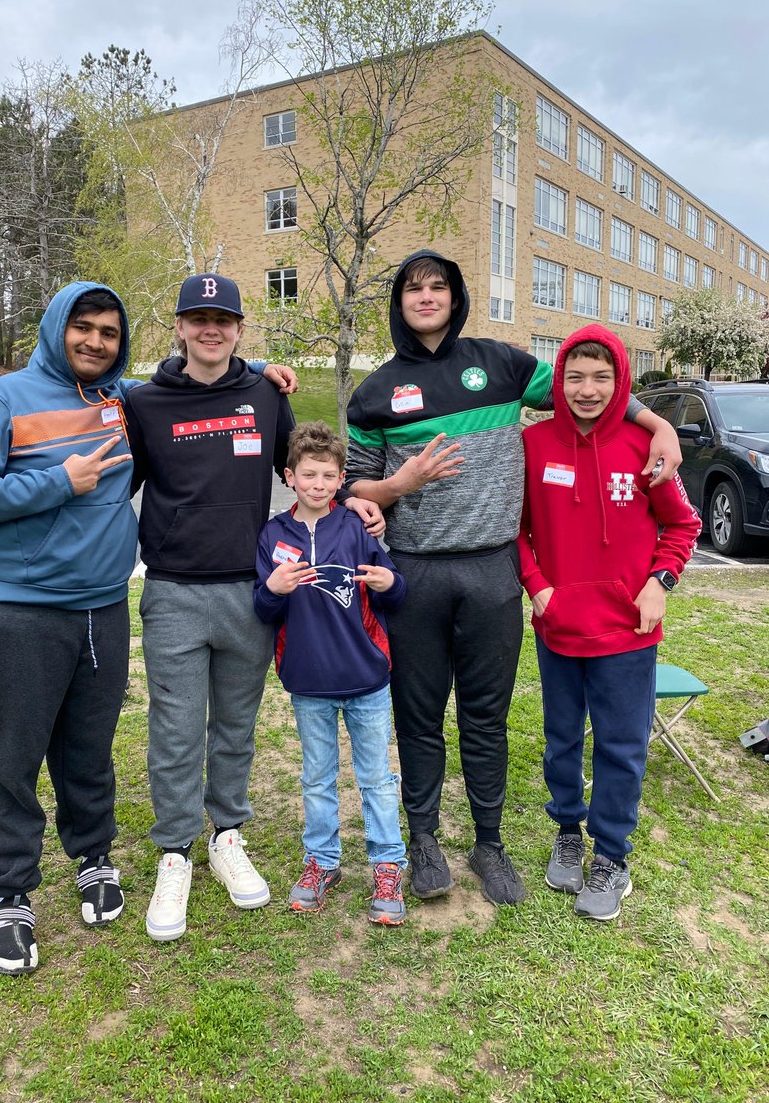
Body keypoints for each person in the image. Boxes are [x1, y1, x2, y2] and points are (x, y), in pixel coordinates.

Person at [345, 250, 683, 907]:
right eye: (413, 288)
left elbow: (590, 391)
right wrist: (397, 484)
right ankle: (423, 843)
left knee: (485, 717)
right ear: (399, 302)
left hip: (493, 572)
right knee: (417, 718)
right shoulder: (375, 392)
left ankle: (489, 844)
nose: (426, 297)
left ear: (455, 295)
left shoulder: (501, 366)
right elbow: (354, 486)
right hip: (413, 574)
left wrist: (658, 421)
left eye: (438, 286)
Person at [124, 273, 382, 942]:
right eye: (198, 318)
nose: (211, 330)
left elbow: (304, 469)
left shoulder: (265, 395)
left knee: (235, 725)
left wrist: (351, 496)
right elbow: (113, 488)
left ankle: (227, 836)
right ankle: (177, 851)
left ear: (239, 330)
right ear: (179, 326)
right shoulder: (146, 403)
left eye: (224, 320)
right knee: (177, 730)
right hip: (174, 592)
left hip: (252, 591)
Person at [0, 283, 137, 975]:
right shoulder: (3, 400)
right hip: (21, 610)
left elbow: (187, 385)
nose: (95, 342)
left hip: (103, 608)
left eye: (109, 333)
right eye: (83, 328)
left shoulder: (117, 399)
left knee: (89, 747)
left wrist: (259, 373)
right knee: (13, 758)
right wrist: (61, 481)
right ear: (58, 329)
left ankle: (93, 857)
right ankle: (10, 894)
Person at [517, 325, 700, 920]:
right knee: (561, 741)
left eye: (601, 377)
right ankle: (568, 832)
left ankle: (612, 857)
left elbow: (683, 526)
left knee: (621, 749)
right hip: (560, 626)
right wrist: (538, 587)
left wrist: (660, 583)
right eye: (575, 377)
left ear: (620, 381)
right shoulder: (535, 444)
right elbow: (514, 532)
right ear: (558, 381)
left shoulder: (644, 446)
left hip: (628, 631)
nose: (587, 390)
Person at [254, 421, 408, 925]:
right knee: (317, 778)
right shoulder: (274, 534)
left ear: (340, 479)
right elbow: (262, 609)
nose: (317, 485)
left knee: (377, 779)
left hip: (367, 679)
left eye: (327, 476)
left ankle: (387, 864)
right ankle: (321, 862)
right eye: (308, 475)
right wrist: (273, 589)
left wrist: (390, 582)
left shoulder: (357, 527)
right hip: (308, 683)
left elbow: (395, 591)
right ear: (290, 476)